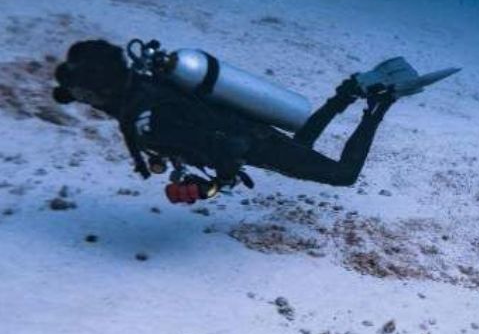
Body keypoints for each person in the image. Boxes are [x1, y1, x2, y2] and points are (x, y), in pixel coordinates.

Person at [51, 39, 458, 201]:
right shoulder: (138, 85)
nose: (83, 101)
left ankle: (377, 105)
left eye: (86, 95)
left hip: (246, 140)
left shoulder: (145, 116)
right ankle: (346, 93)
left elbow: (227, 150)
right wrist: (71, 89)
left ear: (102, 88)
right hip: (242, 127)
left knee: (343, 175)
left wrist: (213, 185)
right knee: (297, 146)